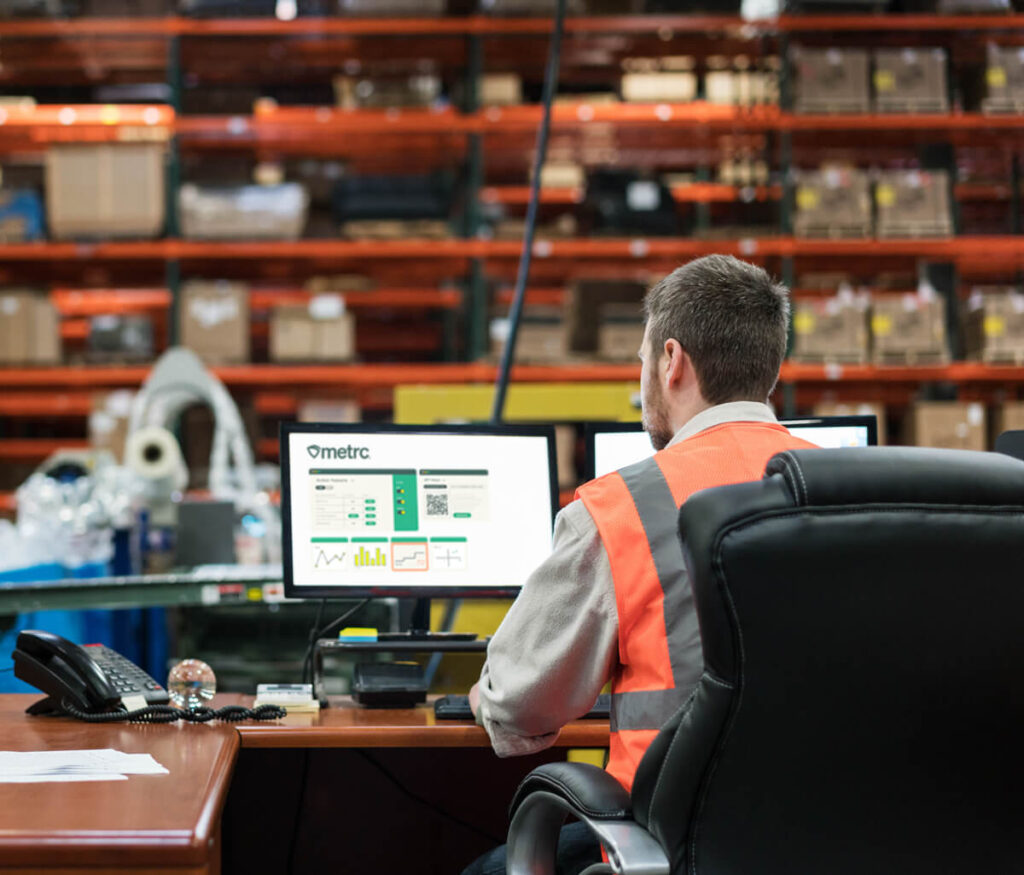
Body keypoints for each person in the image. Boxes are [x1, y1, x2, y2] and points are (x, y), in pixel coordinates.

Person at [460, 255, 821, 875]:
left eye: (643, 359)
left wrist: (483, 695)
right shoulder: (852, 492)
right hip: (835, 833)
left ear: (672, 361)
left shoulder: (621, 507)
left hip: (670, 846)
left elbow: (519, 704)